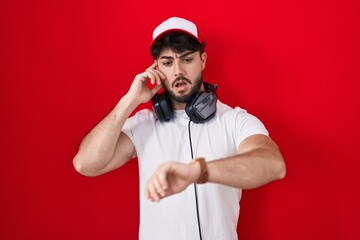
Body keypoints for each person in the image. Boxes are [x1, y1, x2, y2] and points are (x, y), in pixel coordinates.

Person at [73, 16, 286, 240]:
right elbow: (85, 164)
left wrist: (198, 171)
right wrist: (129, 101)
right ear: (156, 68)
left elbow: (274, 165)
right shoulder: (142, 124)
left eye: (186, 59)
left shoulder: (234, 120)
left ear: (203, 60)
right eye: (167, 62)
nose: (177, 71)